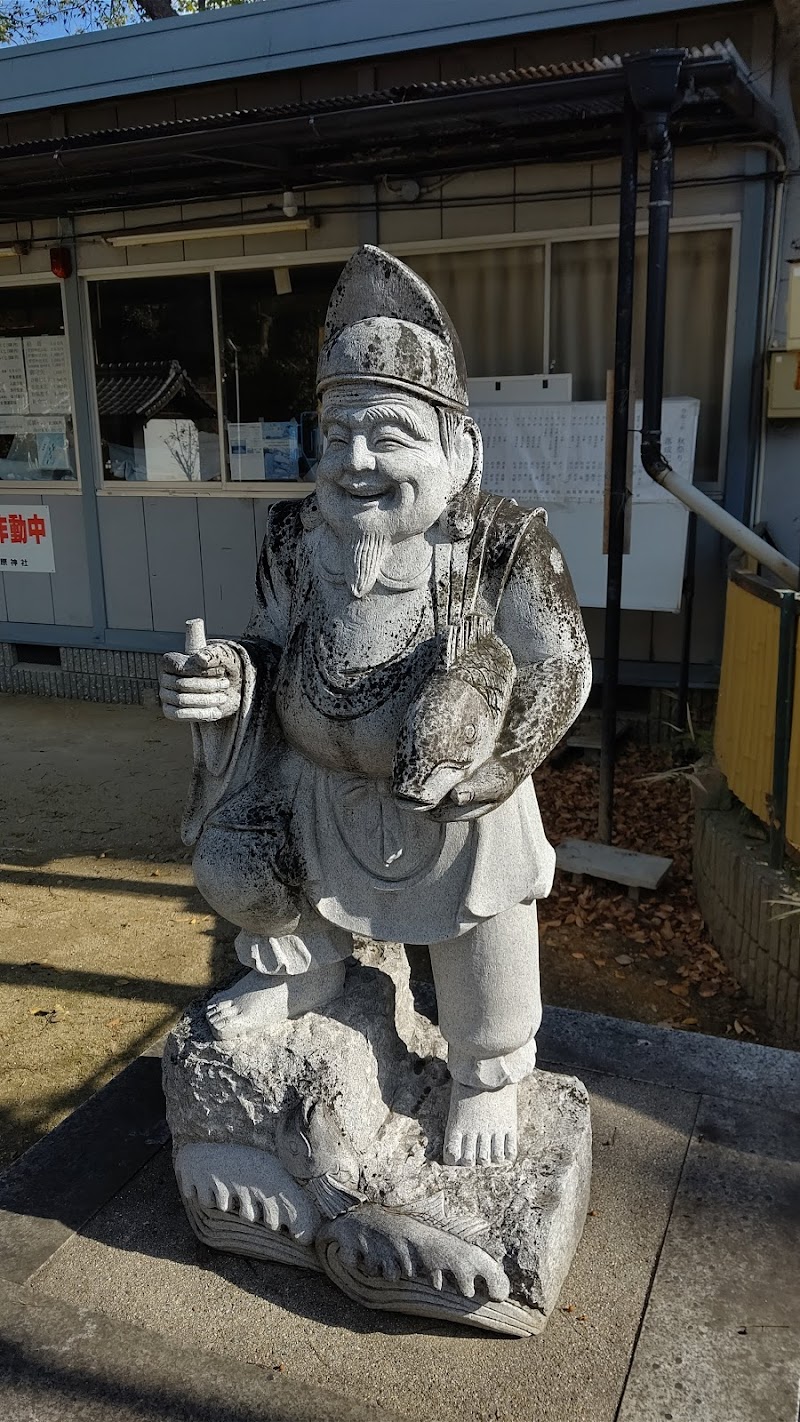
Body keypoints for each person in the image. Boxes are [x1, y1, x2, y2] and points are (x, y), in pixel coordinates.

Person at [160, 245, 591, 1168]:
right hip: (317, 782)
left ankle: (487, 1071)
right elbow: (269, 642)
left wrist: (492, 766)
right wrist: (228, 679)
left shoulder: (502, 541)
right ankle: (305, 974)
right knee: (241, 859)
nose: (355, 460)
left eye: (387, 434)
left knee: (488, 914)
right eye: (338, 431)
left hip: (453, 804)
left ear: (455, 450)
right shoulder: (294, 534)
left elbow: (560, 664)